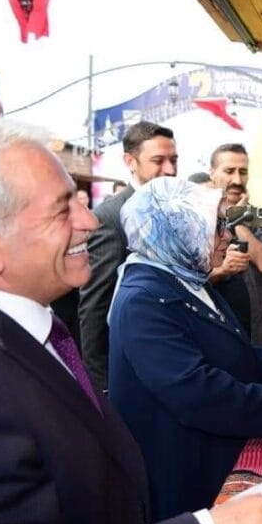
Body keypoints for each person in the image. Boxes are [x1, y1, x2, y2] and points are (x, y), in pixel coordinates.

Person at [0, 117, 262, 524]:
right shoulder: (139, 297)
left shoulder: (38, 326)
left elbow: (222, 347)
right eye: (63, 209)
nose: (88, 220)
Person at [108, 176, 262, 522]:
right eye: (215, 228)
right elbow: (194, 390)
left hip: (209, 452)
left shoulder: (184, 276)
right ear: (179, 234)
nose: (226, 236)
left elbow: (223, 344)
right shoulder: (144, 300)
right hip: (181, 470)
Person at [78, 121, 177, 393]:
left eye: (174, 160)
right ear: (130, 161)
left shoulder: (175, 209)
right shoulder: (110, 218)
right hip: (126, 374)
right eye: (158, 160)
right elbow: (95, 309)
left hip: (169, 363)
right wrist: (102, 387)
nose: (169, 169)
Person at [208, 143, 262, 346]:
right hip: (213, 326)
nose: (237, 180)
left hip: (255, 327)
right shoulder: (196, 216)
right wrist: (222, 270)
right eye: (229, 171)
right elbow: (187, 278)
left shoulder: (259, 216)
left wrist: (237, 219)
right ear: (212, 173)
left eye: (243, 172)